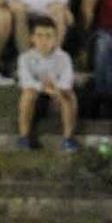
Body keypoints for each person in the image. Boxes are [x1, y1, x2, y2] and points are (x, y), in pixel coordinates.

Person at [15, 16, 77, 151]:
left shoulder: (64, 57)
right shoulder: (25, 58)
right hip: (37, 97)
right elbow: (25, 81)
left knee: (69, 95)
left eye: (48, 36)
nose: (44, 40)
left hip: (57, 95)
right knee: (28, 94)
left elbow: (67, 80)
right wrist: (43, 87)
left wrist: (55, 89)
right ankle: (23, 137)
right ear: (32, 38)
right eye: (39, 36)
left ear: (55, 39)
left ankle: (68, 138)